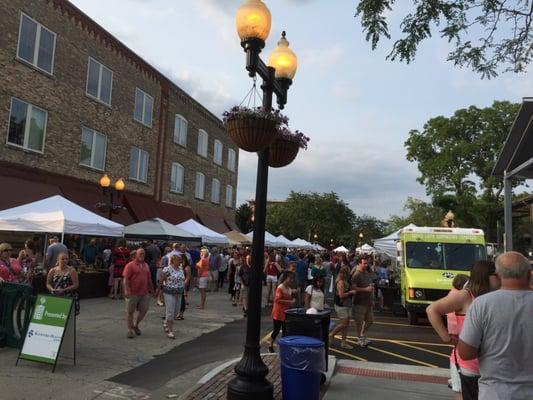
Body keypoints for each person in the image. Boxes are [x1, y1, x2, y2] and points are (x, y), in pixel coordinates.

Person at [457, 252, 533, 400]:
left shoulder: (482, 304)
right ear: (529, 275)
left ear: (498, 276)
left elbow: (465, 353)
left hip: (495, 393)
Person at [427, 262, 496, 400]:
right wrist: (446, 338)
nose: (500, 279)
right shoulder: (465, 296)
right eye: (496, 275)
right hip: (468, 365)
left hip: (486, 364)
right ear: (486, 276)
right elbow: (432, 310)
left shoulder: (492, 296)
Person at [123, 248, 153, 338]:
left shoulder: (146, 265)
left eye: (143, 254)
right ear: (135, 255)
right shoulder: (130, 265)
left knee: (144, 310)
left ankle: (135, 325)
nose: (142, 255)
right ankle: (129, 330)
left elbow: (149, 279)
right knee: (130, 311)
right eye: (140, 254)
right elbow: (126, 279)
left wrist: (153, 289)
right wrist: (126, 290)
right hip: (133, 292)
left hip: (144, 292)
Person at [268, 271, 296, 353]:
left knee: (285, 330)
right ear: (285, 278)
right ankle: (270, 345)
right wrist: (290, 302)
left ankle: (283, 347)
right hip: (278, 312)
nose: (291, 280)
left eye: (292, 278)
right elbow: (277, 300)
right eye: (290, 278)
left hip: (285, 313)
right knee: (276, 330)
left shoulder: (289, 288)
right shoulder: (280, 287)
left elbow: (290, 298)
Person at [329, 266, 356, 349]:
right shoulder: (340, 282)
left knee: (346, 324)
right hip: (341, 305)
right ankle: (331, 334)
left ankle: (344, 342)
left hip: (347, 304)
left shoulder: (345, 281)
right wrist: (350, 292)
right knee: (344, 324)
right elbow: (341, 295)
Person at [351, 256, 375, 347]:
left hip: (368, 301)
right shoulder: (356, 274)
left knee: (370, 320)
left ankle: (362, 335)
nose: (366, 265)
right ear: (359, 264)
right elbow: (353, 287)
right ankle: (359, 338)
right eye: (364, 263)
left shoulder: (366, 273)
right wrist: (365, 289)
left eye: (367, 263)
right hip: (359, 301)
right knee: (359, 322)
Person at [160, 254, 185, 339]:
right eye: (178, 260)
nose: (180, 262)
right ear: (173, 260)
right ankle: (170, 331)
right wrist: (158, 290)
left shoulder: (181, 269)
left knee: (176, 312)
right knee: (170, 311)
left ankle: (166, 322)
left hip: (179, 293)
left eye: (180, 260)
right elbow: (161, 280)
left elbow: (182, 280)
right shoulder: (167, 269)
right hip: (169, 293)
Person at [177, 253, 191, 320]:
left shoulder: (187, 267)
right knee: (178, 299)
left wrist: (184, 285)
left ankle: (181, 314)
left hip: (183, 285)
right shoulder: (179, 266)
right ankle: (177, 313)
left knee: (182, 299)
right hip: (178, 285)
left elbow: (188, 277)